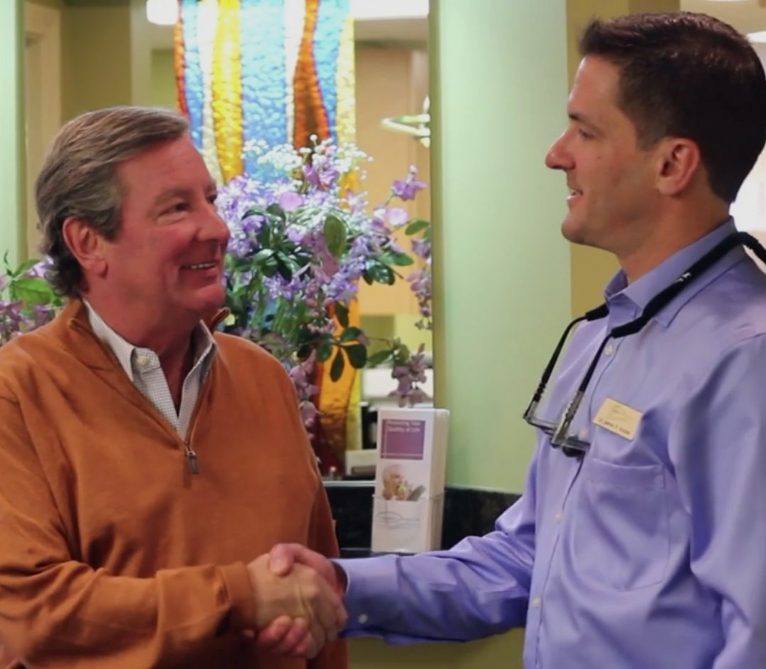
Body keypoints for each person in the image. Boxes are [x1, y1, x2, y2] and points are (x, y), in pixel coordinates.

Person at [257, 12, 766, 667]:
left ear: (672, 164)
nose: (557, 153)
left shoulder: (743, 358)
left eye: (585, 130)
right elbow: (524, 557)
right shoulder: (600, 339)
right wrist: (346, 584)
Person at [0, 107, 347, 667]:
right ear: (88, 242)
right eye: (177, 208)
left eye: (209, 199)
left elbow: (318, 591)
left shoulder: (263, 379)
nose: (216, 228)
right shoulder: (17, 393)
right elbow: (31, 617)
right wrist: (241, 598)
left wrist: (298, 629)